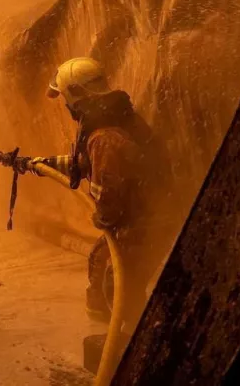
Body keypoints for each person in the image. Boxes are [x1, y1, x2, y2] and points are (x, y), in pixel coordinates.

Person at [31, 57, 176, 333]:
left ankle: (125, 347)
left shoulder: (104, 136)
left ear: (75, 94)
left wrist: (103, 218)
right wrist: (45, 164)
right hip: (147, 217)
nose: (65, 104)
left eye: (65, 97)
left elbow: (108, 194)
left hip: (141, 225)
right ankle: (115, 331)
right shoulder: (117, 119)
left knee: (116, 287)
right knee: (101, 267)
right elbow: (88, 163)